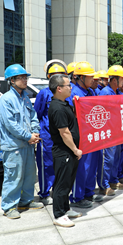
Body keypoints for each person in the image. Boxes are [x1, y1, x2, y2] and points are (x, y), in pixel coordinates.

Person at [0, 64, 43, 219]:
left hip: (28, 144)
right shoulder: (6, 100)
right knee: (13, 176)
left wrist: (35, 132)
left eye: (25, 77)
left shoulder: (25, 98)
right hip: (14, 146)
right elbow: (10, 125)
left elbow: (33, 116)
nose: (25, 80)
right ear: (11, 80)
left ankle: (26, 201)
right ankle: (9, 206)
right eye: (21, 78)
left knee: (29, 174)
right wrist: (28, 136)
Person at [48, 74, 83, 227]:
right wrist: (75, 150)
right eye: (68, 85)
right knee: (62, 183)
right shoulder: (57, 108)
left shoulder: (64, 104)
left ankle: (65, 208)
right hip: (64, 151)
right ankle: (59, 214)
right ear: (59, 88)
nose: (71, 88)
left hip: (70, 152)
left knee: (68, 181)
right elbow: (64, 132)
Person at [67, 62, 103, 208]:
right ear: (80, 77)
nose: (93, 80)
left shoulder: (91, 92)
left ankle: (88, 192)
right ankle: (77, 197)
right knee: (82, 167)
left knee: (92, 166)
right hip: (81, 136)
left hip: (92, 135)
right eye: (89, 77)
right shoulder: (74, 93)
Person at [34, 63, 67, 206]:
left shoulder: (65, 93)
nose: (58, 78)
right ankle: (44, 193)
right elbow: (38, 113)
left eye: (61, 75)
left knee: (60, 164)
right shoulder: (44, 93)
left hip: (60, 135)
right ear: (49, 78)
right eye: (54, 76)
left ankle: (56, 189)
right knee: (46, 165)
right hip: (47, 136)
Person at [98, 65, 123, 195]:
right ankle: (104, 185)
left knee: (115, 157)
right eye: (121, 79)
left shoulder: (117, 92)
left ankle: (113, 180)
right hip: (108, 131)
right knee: (108, 159)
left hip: (116, 130)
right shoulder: (105, 92)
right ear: (114, 80)